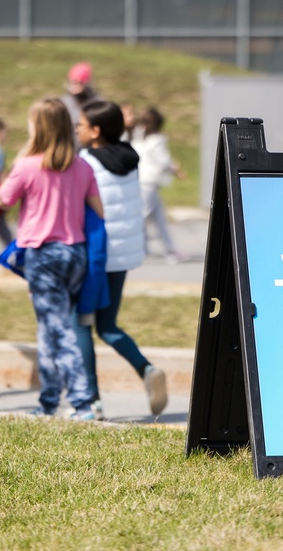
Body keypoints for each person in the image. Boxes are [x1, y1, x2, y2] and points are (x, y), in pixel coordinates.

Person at [0, 97, 102, 420]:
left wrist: (22, 155)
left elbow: (3, 200)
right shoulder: (82, 166)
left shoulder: (29, 165)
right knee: (48, 327)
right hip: (75, 253)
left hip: (42, 255)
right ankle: (48, 400)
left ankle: (83, 402)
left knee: (59, 330)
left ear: (38, 128)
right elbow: (99, 210)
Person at [75, 100, 168, 418]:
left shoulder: (86, 161)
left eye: (81, 125)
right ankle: (146, 368)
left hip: (95, 255)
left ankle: (91, 400)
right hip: (123, 255)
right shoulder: (130, 158)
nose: (77, 129)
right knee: (108, 325)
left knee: (82, 324)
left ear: (96, 131)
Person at [131, 107, 186, 264]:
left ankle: (170, 250)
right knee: (143, 216)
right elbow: (164, 161)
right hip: (149, 182)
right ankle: (139, 247)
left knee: (158, 218)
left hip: (141, 180)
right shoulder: (156, 140)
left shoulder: (138, 135)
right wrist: (176, 170)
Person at [61, 62, 99, 148]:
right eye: (73, 82)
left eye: (80, 83)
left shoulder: (96, 103)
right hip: (68, 147)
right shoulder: (64, 102)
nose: (76, 87)